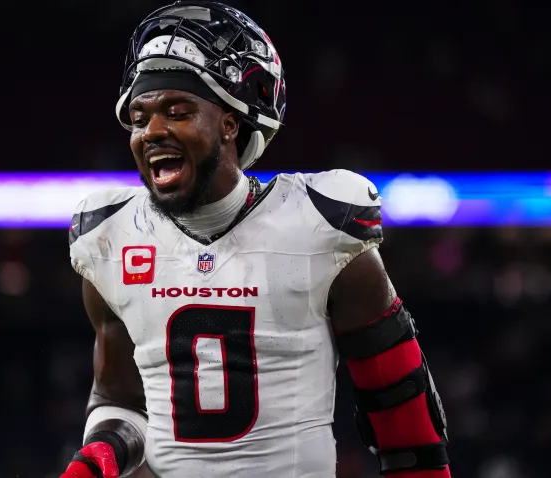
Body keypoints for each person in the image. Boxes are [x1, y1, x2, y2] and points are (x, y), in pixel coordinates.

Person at [60, 2, 450, 477]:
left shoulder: (317, 225)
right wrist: (96, 460)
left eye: (176, 112)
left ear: (230, 123)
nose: (153, 132)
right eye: (140, 119)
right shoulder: (110, 237)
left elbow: (399, 403)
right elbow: (120, 402)